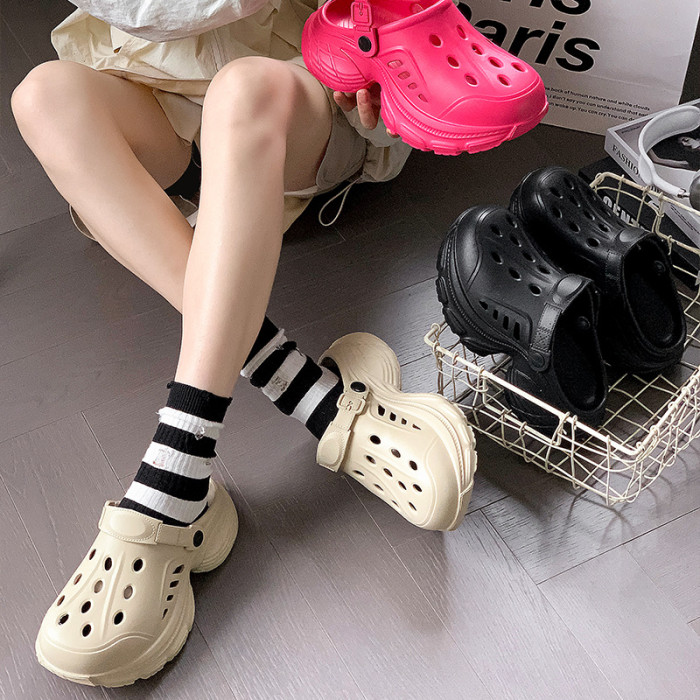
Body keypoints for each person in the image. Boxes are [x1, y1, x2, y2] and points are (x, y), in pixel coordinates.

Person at [11, 0, 476, 687]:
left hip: (296, 96)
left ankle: (174, 481)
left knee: (243, 89)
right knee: (43, 95)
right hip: (160, 98)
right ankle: (314, 397)